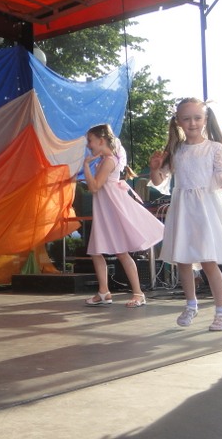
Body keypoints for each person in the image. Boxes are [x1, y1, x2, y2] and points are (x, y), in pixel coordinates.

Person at [149, 97, 222, 331]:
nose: (192, 123)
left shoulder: (215, 148)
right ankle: (191, 304)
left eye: (197, 118)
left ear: (205, 119)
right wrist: (154, 168)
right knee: (183, 260)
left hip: (206, 209)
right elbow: (158, 180)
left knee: (208, 260)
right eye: (186, 118)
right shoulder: (175, 150)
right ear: (178, 121)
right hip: (183, 208)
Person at [83, 124, 164, 308]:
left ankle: (138, 293)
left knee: (121, 252)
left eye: (90, 141)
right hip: (104, 210)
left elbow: (94, 187)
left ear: (101, 141)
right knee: (96, 251)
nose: (88, 145)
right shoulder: (105, 160)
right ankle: (104, 291)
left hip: (112, 210)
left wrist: (86, 166)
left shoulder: (109, 160)